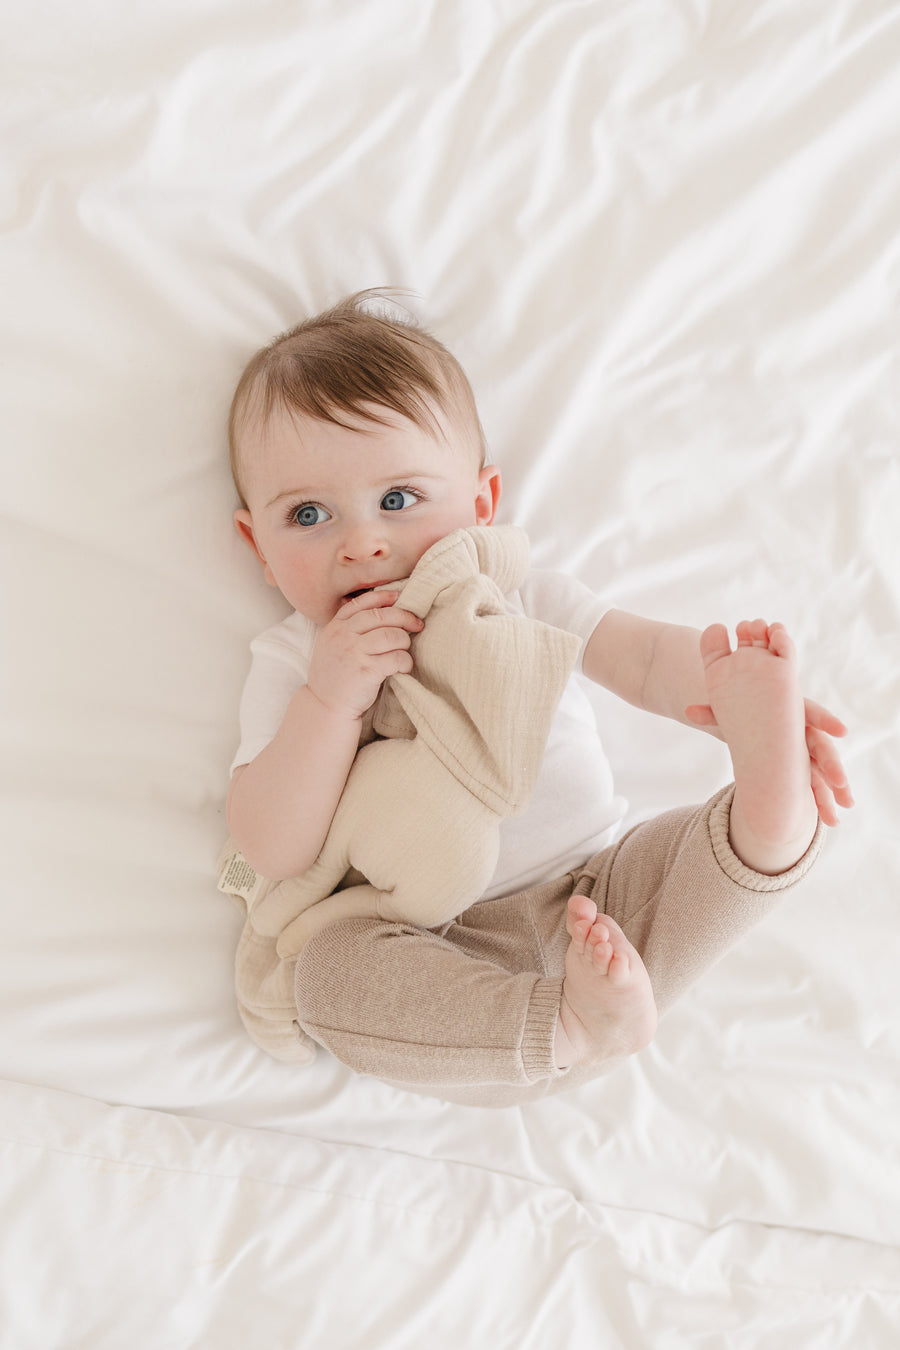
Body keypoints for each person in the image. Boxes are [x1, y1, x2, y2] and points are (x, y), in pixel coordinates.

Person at [224, 290, 853, 1107]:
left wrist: (725, 691)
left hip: (602, 889)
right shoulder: (293, 661)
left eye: (399, 500)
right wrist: (330, 702)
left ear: (481, 505)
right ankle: (563, 1024)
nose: (363, 542)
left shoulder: (515, 595)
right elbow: (270, 844)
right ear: (258, 549)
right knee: (328, 979)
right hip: (438, 949)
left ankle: (768, 814)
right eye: (308, 515)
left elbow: (645, 659)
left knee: (681, 855)